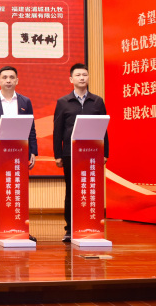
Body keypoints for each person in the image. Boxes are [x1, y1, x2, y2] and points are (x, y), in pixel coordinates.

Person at [0, 66, 38, 243]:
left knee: (19, 192)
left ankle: (21, 227)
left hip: (20, 154)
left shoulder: (25, 101)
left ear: (17, 80)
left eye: (12, 77)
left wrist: (33, 151)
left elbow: (31, 128)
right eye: (4, 77)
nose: (8, 80)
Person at [53, 63, 109, 243]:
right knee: (72, 191)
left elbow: (104, 128)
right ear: (71, 79)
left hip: (93, 153)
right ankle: (70, 229)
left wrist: (105, 152)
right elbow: (58, 130)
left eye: (85, 74)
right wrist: (58, 155)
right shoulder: (63, 102)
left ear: (88, 77)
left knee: (92, 189)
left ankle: (92, 225)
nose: (82, 78)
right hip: (71, 154)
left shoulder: (97, 101)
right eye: (78, 75)